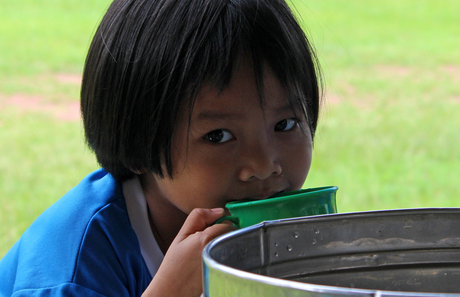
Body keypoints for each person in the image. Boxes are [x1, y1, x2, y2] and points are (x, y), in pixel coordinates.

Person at [0, 0, 322, 296]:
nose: (265, 165)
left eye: (285, 124)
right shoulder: (74, 269)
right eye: (218, 136)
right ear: (139, 136)